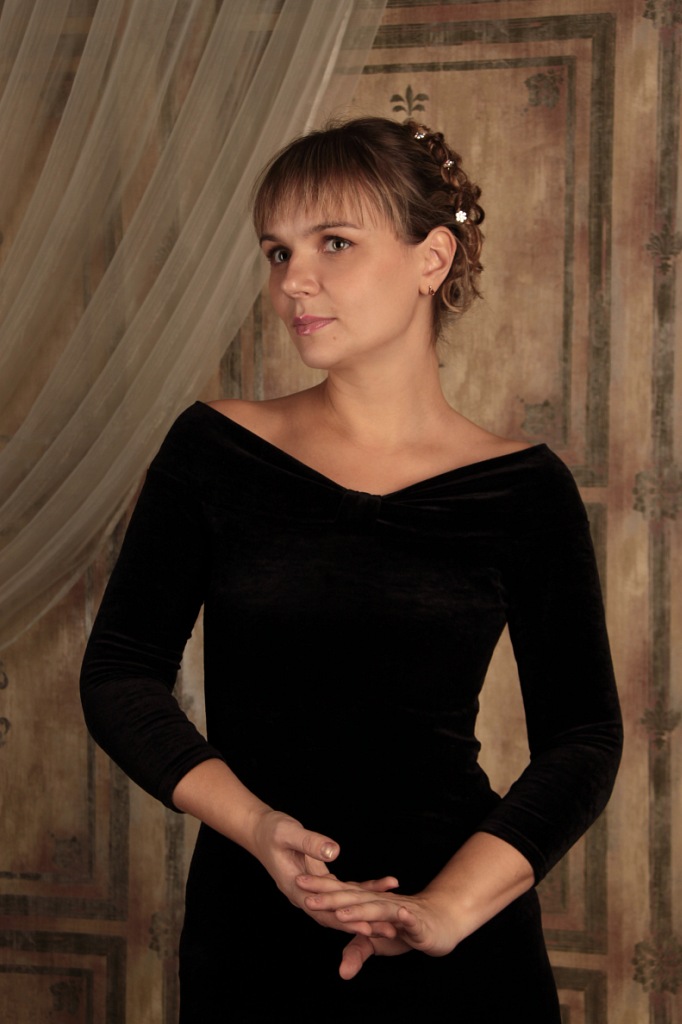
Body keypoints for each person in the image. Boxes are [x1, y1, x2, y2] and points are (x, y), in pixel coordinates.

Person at [80, 116, 622, 1021]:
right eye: (277, 251)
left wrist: (445, 910)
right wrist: (259, 829)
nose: (293, 280)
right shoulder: (214, 449)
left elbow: (584, 739)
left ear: (431, 259)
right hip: (254, 923)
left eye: (333, 243)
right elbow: (119, 675)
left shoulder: (525, 489)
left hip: (462, 935)